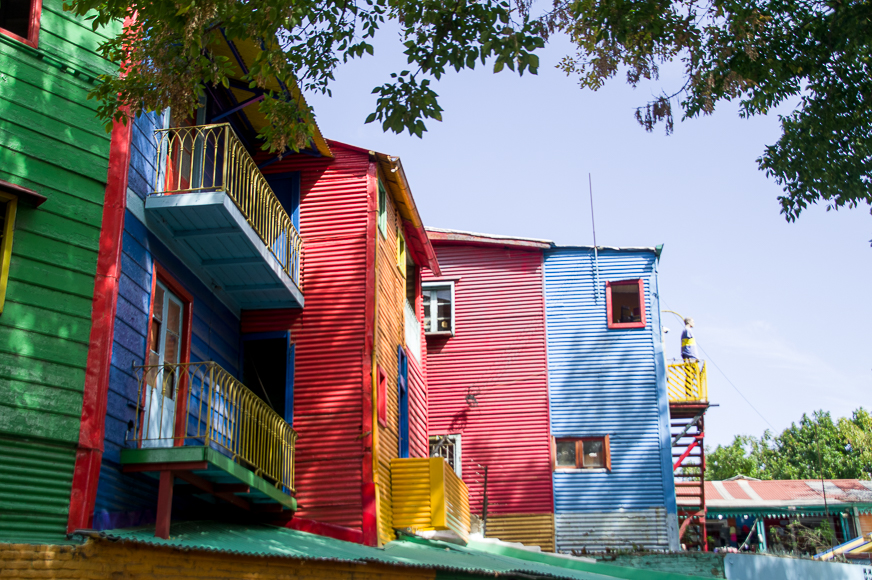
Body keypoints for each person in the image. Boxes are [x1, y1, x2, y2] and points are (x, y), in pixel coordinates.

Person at [681, 318, 700, 397]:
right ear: (689, 322)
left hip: (689, 355)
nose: (694, 323)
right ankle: (689, 393)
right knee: (690, 374)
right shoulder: (687, 330)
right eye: (693, 321)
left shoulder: (686, 330)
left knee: (690, 374)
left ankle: (690, 392)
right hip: (690, 355)